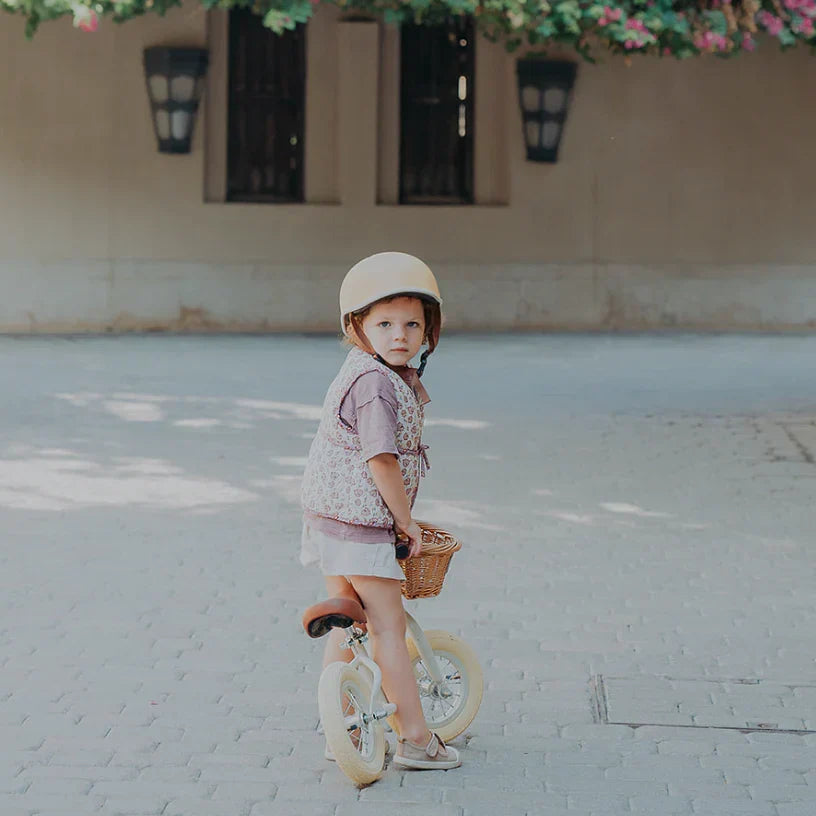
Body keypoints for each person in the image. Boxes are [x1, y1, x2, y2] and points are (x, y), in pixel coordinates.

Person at [299, 251, 460, 770]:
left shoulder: (370, 371)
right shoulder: (375, 386)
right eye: (385, 323)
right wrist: (406, 521)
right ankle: (416, 739)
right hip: (362, 529)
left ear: (428, 330)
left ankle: (339, 728)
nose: (400, 335)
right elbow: (382, 460)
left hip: (329, 523)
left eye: (414, 323)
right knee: (387, 628)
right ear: (358, 326)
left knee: (348, 624)